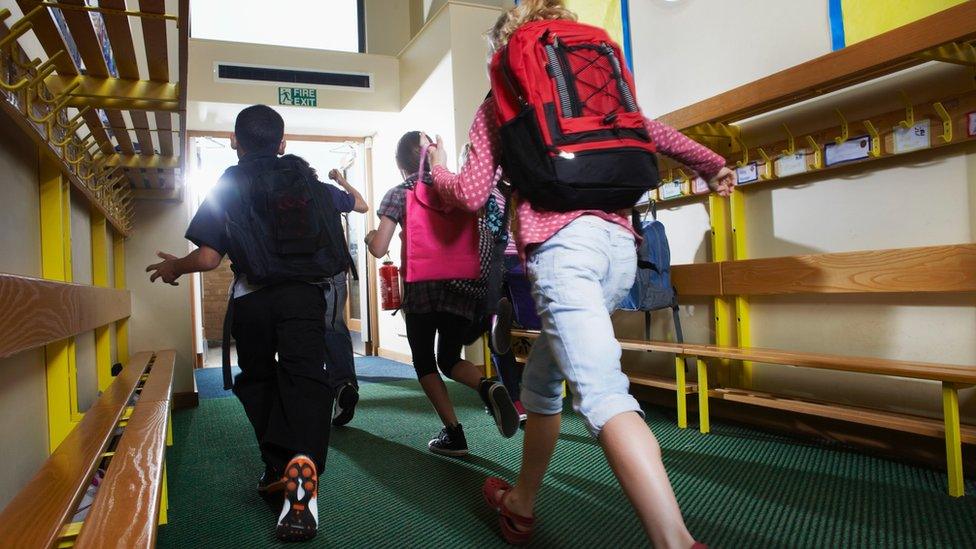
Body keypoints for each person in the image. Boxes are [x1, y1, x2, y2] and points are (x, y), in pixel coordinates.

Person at [427, 1, 736, 546]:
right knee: (544, 382)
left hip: (563, 253)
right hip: (618, 249)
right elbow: (650, 130)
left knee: (603, 394)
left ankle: (675, 540)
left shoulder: (503, 91)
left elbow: (474, 193)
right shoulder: (596, 82)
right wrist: (709, 163)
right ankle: (521, 502)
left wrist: (437, 171)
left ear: (507, 44)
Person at [146, 105, 348, 542]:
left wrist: (175, 268)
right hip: (305, 298)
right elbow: (342, 210)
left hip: (254, 300)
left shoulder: (230, 181)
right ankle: (303, 461)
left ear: (235, 141)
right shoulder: (308, 182)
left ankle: (277, 466)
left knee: (258, 379)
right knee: (307, 380)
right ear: (282, 144)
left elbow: (208, 257)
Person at [364, 130, 521, 457]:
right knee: (450, 359)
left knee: (425, 363)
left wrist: (369, 237)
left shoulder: (398, 193)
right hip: (462, 283)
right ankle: (487, 385)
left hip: (422, 288)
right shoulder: (454, 186)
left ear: (399, 164)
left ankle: (454, 434)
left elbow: (379, 249)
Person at [282, 155, 369, 427]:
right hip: (332, 274)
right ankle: (343, 385)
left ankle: (309, 398)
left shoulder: (280, 198)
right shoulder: (327, 192)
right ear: (312, 172)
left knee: (301, 334)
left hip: (297, 278)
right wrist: (341, 181)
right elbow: (363, 206)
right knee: (334, 328)